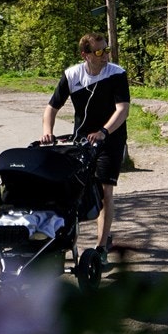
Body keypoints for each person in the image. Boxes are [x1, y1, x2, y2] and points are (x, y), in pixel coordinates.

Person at [42, 32, 130, 263]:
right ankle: (63, 240)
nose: (105, 56)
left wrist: (103, 131)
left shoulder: (117, 73)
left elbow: (122, 109)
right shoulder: (72, 75)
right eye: (99, 52)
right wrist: (47, 131)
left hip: (110, 139)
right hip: (81, 141)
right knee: (72, 191)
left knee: (105, 192)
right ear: (86, 55)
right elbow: (51, 107)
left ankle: (101, 247)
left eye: (106, 50)